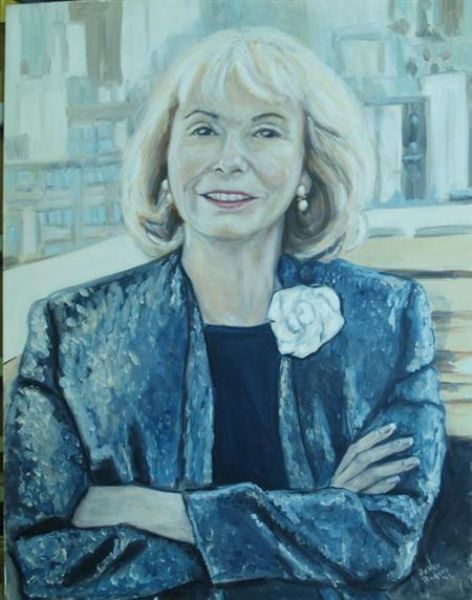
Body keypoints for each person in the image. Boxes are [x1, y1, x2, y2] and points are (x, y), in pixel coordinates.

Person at [5, 27, 446, 600]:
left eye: (266, 131)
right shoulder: (74, 332)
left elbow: (385, 541)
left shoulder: (385, 318)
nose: (229, 161)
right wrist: (315, 516)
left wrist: (156, 510)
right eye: (204, 130)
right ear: (165, 156)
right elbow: (46, 563)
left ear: (308, 164)